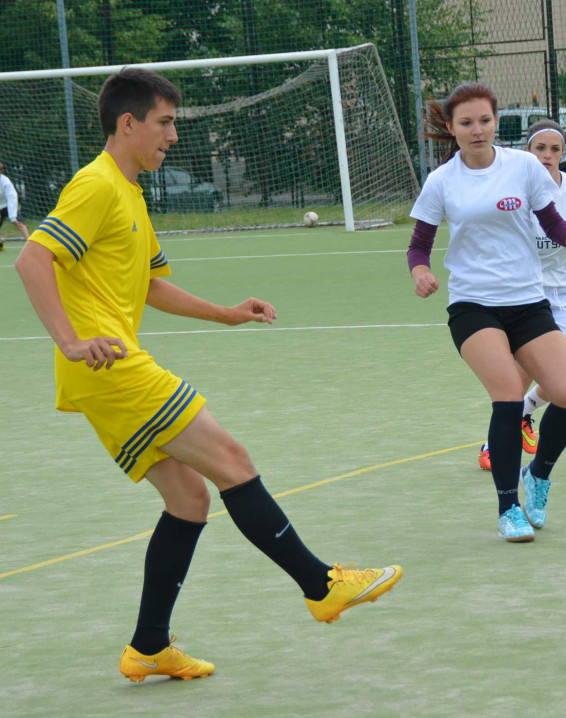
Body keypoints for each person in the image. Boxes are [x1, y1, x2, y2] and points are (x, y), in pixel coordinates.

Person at [14, 68, 402, 683]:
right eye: (165, 123)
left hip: (104, 372)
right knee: (232, 459)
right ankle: (320, 584)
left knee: (189, 500)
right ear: (128, 123)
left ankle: (148, 646)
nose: (172, 135)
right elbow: (32, 259)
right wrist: (70, 340)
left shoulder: (132, 193)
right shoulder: (96, 186)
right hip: (110, 368)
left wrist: (226, 313)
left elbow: (151, 283)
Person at [406, 83, 566, 543]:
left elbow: (557, 226)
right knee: (506, 395)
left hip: (527, 302)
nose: (476, 130)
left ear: (495, 122)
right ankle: (507, 508)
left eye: (484, 120)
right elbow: (419, 245)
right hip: (472, 306)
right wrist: (420, 272)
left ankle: (537, 474)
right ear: (450, 128)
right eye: (465, 123)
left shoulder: (522, 167)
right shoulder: (442, 181)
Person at [477, 119, 566, 472]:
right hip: (524, 293)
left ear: (563, 153)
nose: (547, 155)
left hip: (564, 292)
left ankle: (525, 412)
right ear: (527, 151)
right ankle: (492, 443)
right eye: (540, 148)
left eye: (555, 149)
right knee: (518, 374)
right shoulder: (511, 192)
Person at [0, 160, 32, 251]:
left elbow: (12, 199)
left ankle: (29, 243)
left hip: (10, 204)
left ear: (1, 171)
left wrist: (13, 217)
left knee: (19, 223)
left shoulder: (6, 182)